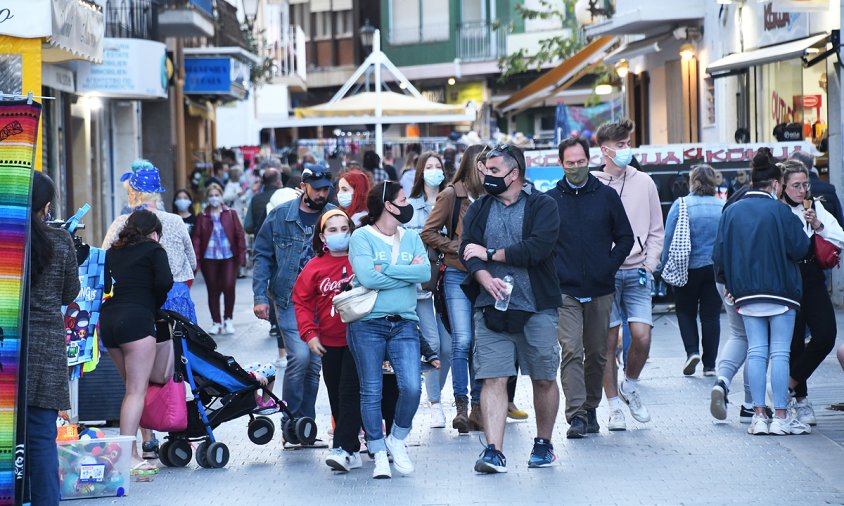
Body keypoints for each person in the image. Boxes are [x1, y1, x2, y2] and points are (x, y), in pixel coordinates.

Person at [460, 144, 562, 474]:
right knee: (493, 378)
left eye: (492, 171)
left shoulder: (543, 206)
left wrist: (489, 254)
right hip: (490, 308)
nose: (485, 176)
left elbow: (536, 249)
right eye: (484, 170)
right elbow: (466, 250)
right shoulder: (478, 209)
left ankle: (544, 444)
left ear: (513, 173)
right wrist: (484, 277)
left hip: (537, 308)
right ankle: (494, 451)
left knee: (544, 378)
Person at [103, 160, 197, 460]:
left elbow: (102, 271)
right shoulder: (172, 225)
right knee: (167, 377)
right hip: (154, 312)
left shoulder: (118, 232)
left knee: (133, 385)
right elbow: (184, 268)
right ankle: (159, 438)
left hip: (112, 318)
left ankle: (147, 438)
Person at [713, 148, 811, 436]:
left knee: (756, 352)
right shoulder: (781, 212)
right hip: (782, 291)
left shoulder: (731, 211)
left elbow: (719, 254)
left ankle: (758, 415)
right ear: (775, 184)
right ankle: (780, 415)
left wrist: (730, 284)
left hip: (745, 293)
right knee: (779, 353)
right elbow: (800, 249)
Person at [547, 137, 633, 439]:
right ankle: (577, 415)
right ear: (561, 164)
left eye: (580, 162)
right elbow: (541, 244)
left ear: (589, 160)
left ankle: (592, 406)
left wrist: (607, 266)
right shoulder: (549, 201)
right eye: (569, 163)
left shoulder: (607, 197)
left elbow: (625, 237)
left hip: (601, 288)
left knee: (597, 353)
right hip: (564, 291)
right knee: (571, 349)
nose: (575, 168)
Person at [347, 181, 430, 479]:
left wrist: (386, 272)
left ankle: (397, 438)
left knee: (412, 386)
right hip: (368, 324)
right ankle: (379, 451)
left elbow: (425, 273)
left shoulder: (410, 237)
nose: (407, 205)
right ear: (387, 204)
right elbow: (367, 277)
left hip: (405, 322)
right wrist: (405, 276)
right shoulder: (361, 237)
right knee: (371, 390)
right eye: (403, 199)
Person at [592, 119, 664, 431]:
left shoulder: (644, 183)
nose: (626, 149)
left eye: (628, 143)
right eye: (620, 144)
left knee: (642, 335)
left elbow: (656, 231)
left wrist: (649, 265)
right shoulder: (593, 183)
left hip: (637, 271)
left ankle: (630, 385)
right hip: (605, 274)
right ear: (604, 148)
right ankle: (612, 407)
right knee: (607, 342)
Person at [253, 164, 335, 420]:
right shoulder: (280, 215)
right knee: (300, 356)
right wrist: (259, 298)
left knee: (313, 364)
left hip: (324, 300)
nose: (322, 194)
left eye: (326, 189)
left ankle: (304, 426)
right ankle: (291, 421)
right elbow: (262, 255)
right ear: (303, 187)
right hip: (289, 298)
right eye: (317, 189)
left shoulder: (333, 216)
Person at [99, 210, 175, 475]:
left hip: (108, 322)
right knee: (136, 392)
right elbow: (165, 281)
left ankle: (129, 452)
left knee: (129, 390)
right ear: (154, 232)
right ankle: (127, 458)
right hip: (137, 320)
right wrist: (152, 300)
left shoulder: (111, 252)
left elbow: (104, 286)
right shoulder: (154, 250)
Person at [421, 144, 487, 434]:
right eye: (484, 164)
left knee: (480, 341)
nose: (488, 169)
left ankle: (478, 406)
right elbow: (428, 232)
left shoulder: (492, 194)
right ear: (474, 165)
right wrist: (456, 248)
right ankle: (462, 405)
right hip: (457, 276)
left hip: (485, 275)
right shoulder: (452, 194)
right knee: (462, 340)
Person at [293, 210, 363, 471]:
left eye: (344, 228)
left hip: (360, 340)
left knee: (349, 391)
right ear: (322, 236)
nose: (339, 234)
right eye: (332, 230)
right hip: (328, 343)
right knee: (336, 394)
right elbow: (300, 300)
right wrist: (309, 334)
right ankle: (352, 445)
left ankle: (344, 447)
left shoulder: (360, 260)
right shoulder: (314, 266)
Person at [27, 172, 81, 504]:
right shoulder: (60, 242)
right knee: (41, 439)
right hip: (45, 348)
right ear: (46, 206)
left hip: (8, 347)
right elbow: (70, 293)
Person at [779, 159, 844, 426]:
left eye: (805, 184)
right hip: (786, 278)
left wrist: (817, 224)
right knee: (793, 340)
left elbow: (840, 236)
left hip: (812, 276)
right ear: (782, 185)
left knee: (826, 335)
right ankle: (801, 401)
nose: (802, 190)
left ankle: (789, 384)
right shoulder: (776, 210)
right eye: (796, 185)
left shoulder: (814, 206)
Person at [660, 165, 724, 377]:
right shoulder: (722, 206)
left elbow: (669, 237)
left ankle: (692, 352)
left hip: (687, 267)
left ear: (692, 181)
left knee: (685, 311)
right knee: (711, 316)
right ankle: (710, 365)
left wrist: (662, 265)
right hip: (714, 269)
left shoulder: (681, 204)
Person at [405, 151, 453, 428]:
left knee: (449, 346)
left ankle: (437, 391)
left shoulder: (452, 201)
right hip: (421, 285)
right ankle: (435, 403)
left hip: (449, 281)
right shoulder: (410, 207)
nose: (434, 171)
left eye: (438, 166)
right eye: (429, 166)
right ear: (420, 172)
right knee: (433, 344)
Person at [193, 183, 247, 335]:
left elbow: (239, 235)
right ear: (207, 198)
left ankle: (228, 319)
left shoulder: (230, 213)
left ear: (221, 196)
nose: (214, 198)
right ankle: (216, 322)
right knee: (213, 290)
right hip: (209, 257)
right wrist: (196, 261)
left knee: (229, 286)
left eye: (217, 195)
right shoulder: (203, 216)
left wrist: (242, 256)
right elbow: (196, 238)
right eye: (211, 196)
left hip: (228, 256)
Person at [244, 167, 285, 340]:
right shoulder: (285, 198)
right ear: (277, 181)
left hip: (264, 245)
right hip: (282, 246)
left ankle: (274, 323)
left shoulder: (256, 199)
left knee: (270, 283)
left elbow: (247, 226)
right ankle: (279, 322)